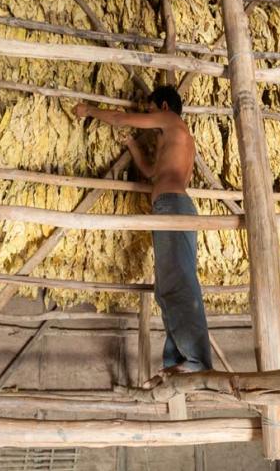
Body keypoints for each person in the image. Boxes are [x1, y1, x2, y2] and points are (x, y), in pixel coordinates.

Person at [73, 85, 212, 373]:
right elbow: (151, 172)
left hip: (173, 206)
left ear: (162, 106)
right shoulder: (173, 139)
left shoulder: (171, 120)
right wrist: (132, 145)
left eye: (148, 110)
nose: (146, 117)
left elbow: (121, 118)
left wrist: (89, 111)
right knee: (167, 287)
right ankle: (177, 361)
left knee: (179, 284)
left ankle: (197, 361)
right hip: (171, 206)